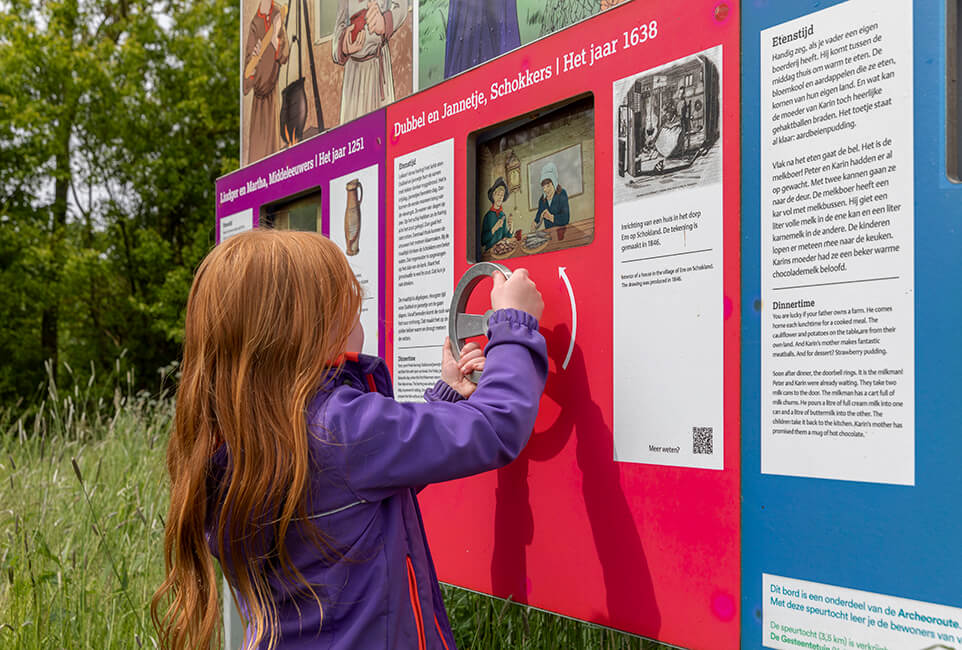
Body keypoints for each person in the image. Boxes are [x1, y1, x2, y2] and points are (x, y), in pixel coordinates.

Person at [151, 229, 547, 649]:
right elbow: (497, 425)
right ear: (313, 331)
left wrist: (446, 396)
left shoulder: (236, 442)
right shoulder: (341, 429)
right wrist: (514, 325)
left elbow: (363, 486)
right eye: (351, 309)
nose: (360, 320)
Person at [333, 0, 407, 124]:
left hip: (377, 68)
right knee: (352, 132)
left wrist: (384, 23)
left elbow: (402, 8)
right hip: (353, 74)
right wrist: (343, 46)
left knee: (381, 128)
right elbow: (338, 29)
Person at [243, 0, 290, 164]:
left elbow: (284, 54)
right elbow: (248, 62)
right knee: (258, 142)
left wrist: (275, 39)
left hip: (271, 84)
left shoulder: (278, 13)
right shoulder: (255, 22)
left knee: (272, 140)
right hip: (259, 89)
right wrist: (253, 61)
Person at [534, 162, 570, 237]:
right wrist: (536, 222)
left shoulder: (562, 194)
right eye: (543, 187)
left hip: (563, 233)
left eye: (548, 186)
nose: (545, 190)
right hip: (549, 235)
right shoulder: (542, 199)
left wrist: (551, 217)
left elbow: (565, 218)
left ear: (554, 183)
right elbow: (538, 217)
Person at [480, 177, 513, 253]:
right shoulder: (488, 216)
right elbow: (482, 241)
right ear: (493, 196)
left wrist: (511, 228)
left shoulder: (502, 215)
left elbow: (505, 237)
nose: (500, 198)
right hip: (490, 253)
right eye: (498, 194)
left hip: (500, 251)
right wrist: (494, 229)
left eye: (502, 195)